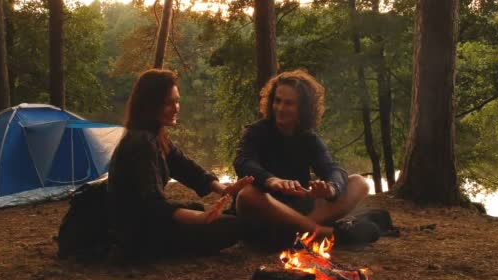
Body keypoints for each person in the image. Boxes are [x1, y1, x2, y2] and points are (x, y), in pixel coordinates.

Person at [107, 69, 252, 258]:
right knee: (233, 226)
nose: (176, 108)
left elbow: (185, 167)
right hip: (135, 233)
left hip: (145, 222)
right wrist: (202, 218)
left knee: (197, 209)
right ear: (150, 105)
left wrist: (224, 189)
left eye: (177, 101)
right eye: (169, 103)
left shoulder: (155, 134)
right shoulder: (141, 142)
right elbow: (152, 205)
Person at [233, 69, 379, 250]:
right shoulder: (256, 132)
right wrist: (271, 180)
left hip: (297, 210)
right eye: (277, 101)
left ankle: (300, 232)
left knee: (359, 182)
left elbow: (332, 168)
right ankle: (318, 232)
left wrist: (331, 189)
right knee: (247, 194)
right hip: (265, 212)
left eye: (288, 103)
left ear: (302, 109)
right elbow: (242, 161)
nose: (280, 108)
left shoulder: (308, 138)